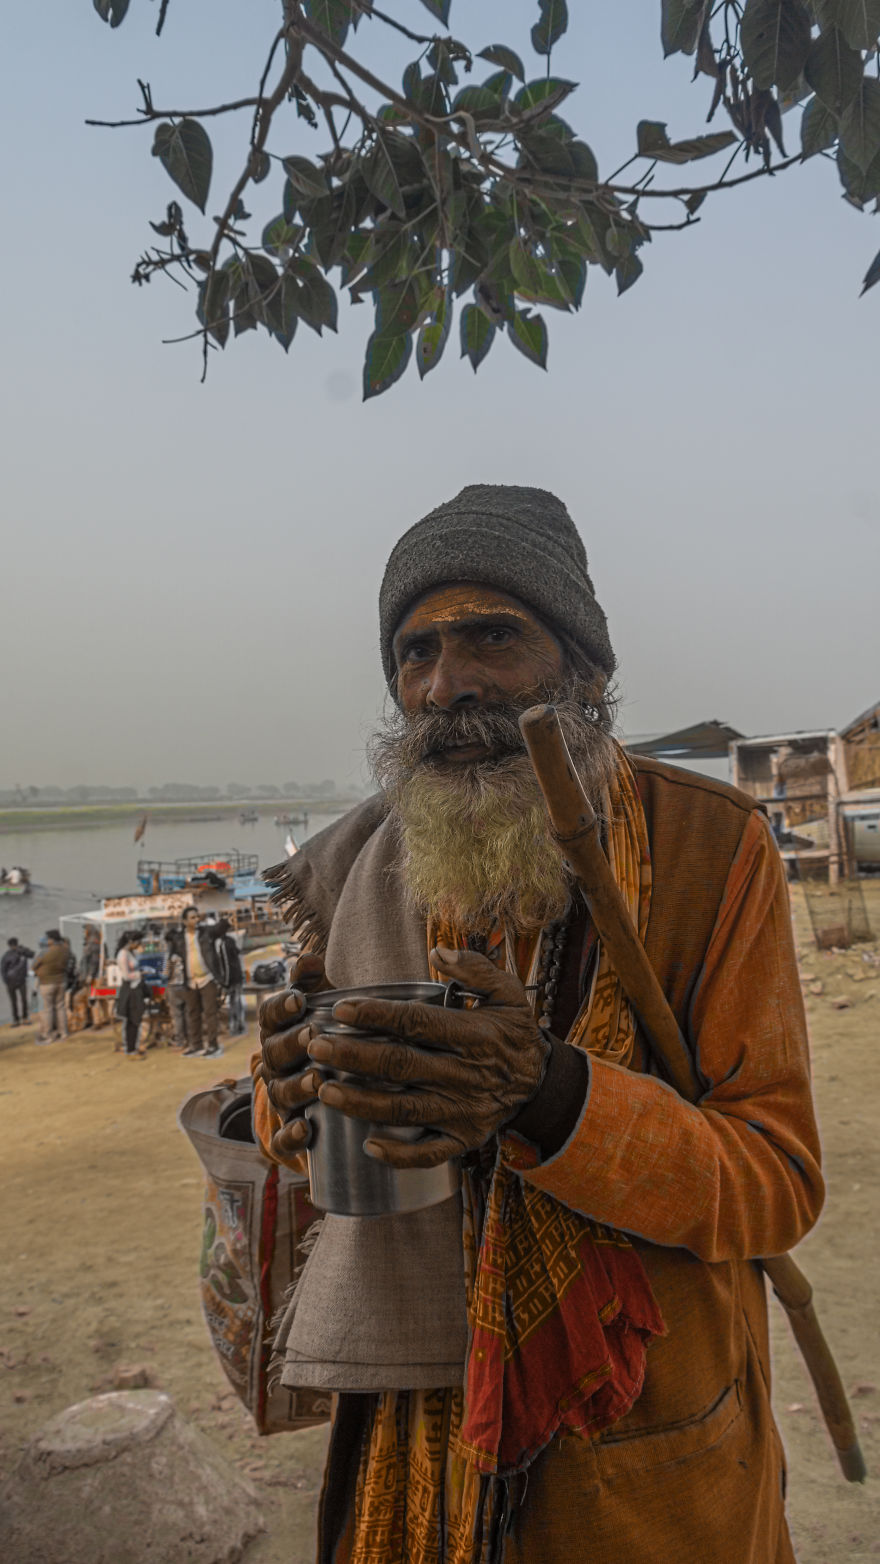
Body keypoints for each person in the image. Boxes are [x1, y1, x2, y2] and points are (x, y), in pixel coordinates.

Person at [254, 485, 824, 1564]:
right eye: (414, 652)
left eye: (492, 639)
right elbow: (305, 1144)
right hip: (414, 1436)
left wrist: (548, 1095)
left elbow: (777, 1182)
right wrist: (286, 1092)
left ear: (587, 672)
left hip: (637, 1433)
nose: (445, 684)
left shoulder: (710, 850)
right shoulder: (357, 870)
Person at [167, 907, 223, 1058]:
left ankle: (213, 1045)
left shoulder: (206, 933)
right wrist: (172, 978)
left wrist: (225, 922)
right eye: (192, 917)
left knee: (210, 1013)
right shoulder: (179, 938)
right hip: (189, 982)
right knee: (192, 1014)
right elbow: (171, 955)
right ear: (185, 921)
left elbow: (219, 929)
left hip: (207, 979)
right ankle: (196, 1045)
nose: (196, 920)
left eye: (197, 917)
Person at [32, 929, 71, 1044]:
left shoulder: (45, 951)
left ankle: (47, 1034)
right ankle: (63, 1032)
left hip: (46, 983)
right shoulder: (66, 950)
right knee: (61, 1007)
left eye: (48, 938)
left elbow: (34, 965)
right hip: (61, 981)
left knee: (48, 1009)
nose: (46, 940)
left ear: (52, 939)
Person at [115, 930, 147, 1058]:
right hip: (130, 990)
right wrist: (141, 974)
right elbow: (127, 976)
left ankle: (132, 1047)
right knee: (132, 1020)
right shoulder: (123, 955)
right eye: (138, 942)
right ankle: (131, 1048)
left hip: (135, 988)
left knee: (135, 1020)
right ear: (131, 942)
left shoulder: (129, 953)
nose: (139, 944)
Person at [212, 917, 245, 1035]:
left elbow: (226, 963)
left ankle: (234, 1028)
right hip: (237, 976)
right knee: (237, 1001)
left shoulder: (222, 943)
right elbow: (237, 953)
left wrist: (224, 982)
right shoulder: (230, 940)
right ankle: (240, 1025)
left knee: (233, 1003)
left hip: (231, 979)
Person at [2, 937, 34, 1026]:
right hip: (14, 981)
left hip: (18, 981)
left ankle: (21, 1019)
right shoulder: (7, 955)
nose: (14, 947)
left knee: (21, 1000)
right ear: (10, 945)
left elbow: (32, 954)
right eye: (13, 945)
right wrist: (6, 981)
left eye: (14, 945)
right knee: (16, 1001)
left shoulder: (22, 952)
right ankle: (19, 1020)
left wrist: (24, 950)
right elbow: (3, 969)